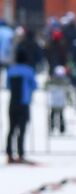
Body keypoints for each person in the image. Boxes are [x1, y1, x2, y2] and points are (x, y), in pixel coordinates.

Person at [6, 30, 38, 164]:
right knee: (22, 129)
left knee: (11, 129)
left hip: (12, 103)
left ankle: (9, 154)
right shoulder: (29, 71)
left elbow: (8, 86)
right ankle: (21, 153)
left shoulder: (10, 71)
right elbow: (34, 86)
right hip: (24, 103)